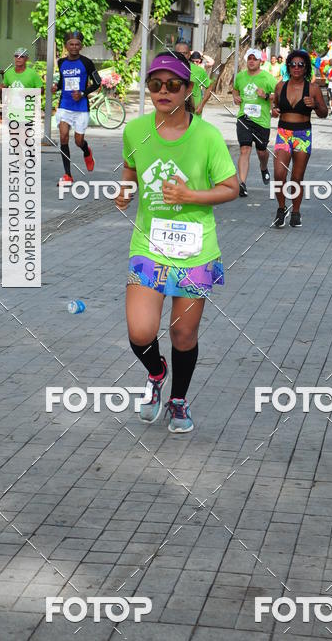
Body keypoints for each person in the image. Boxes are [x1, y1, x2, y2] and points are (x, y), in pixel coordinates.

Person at [116, 50, 238, 433]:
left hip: (194, 249)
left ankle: (179, 400)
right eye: (155, 84)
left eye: (173, 85)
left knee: (183, 333)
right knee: (140, 332)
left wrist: (191, 197)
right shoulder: (135, 130)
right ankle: (157, 371)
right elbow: (131, 166)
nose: (163, 91)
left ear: (187, 89)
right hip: (149, 245)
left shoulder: (207, 135)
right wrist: (125, 189)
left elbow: (231, 188)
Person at [270, 49, 328, 228]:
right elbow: (276, 106)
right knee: (279, 174)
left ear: (306, 68)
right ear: (288, 66)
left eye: (300, 65)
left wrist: (316, 104)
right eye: (293, 64)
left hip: (303, 135)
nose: (296, 67)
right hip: (283, 133)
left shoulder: (313, 88)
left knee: (296, 177)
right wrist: (274, 110)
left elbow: (324, 113)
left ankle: (296, 211)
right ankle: (281, 209)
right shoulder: (281, 86)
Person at [52, 30, 101, 186]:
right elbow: (63, 82)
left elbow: (97, 82)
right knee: (63, 137)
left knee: (78, 141)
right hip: (65, 106)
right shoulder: (61, 63)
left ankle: (86, 151)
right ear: (66, 46)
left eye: (77, 44)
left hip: (81, 108)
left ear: (81, 46)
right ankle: (68, 175)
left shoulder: (87, 63)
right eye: (71, 44)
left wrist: (82, 93)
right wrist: (56, 87)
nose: (74, 47)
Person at [233, 48, 277, 196]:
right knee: (244, 149)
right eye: (249, 58)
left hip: (262, 121)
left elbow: (279, 94)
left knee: (261, 151)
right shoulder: (240, 76)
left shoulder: (267, 78)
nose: (251, 61)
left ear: (260, 61)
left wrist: (265, 96)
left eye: (255, 59)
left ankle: (263, 167)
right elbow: (235, 89)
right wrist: (235, 97)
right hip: (244, 118)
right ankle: (242, 184)